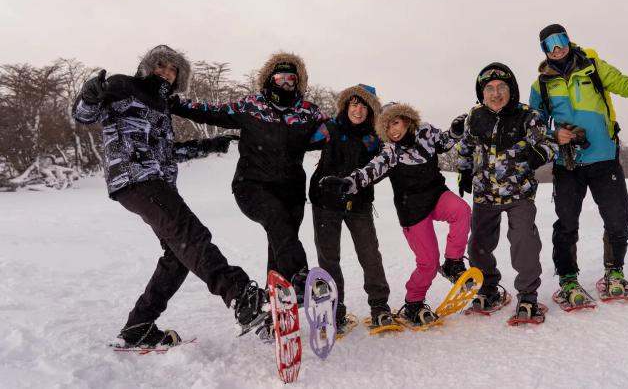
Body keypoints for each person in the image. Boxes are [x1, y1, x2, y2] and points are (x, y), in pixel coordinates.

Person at [72, 45, 268, 348]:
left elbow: (166, 152)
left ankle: (138, 326)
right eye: (161, 66)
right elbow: (85, 116)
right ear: (148, 67)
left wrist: (208, 146)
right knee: (191, 235)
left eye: (172, 69)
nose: (166, 72)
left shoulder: (162, 105)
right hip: (134, 177)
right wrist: (88, 94)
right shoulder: (124, 85)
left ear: (179, 77)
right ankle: (242, 297)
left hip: (155, 183)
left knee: (177, 255)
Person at [171, 52, 326, 305]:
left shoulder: (308, 112)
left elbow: (335, 134)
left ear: (298, 82)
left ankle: (275, 302)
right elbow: (212, 112)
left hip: (292, 190)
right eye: (280, 78)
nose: (285, 84)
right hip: (252, 185)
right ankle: (300, 276)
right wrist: (175, 103)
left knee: (282, 240)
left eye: (291, 79)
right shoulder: (252, 106)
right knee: (278, 223)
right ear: (269, 79)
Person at [529, 24, 628, 307]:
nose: (556, 48)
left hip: (604, 158)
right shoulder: (541, 85)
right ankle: (568, 279)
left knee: (618, 220)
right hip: (567, 163)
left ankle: (615, 272)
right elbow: (533, 126)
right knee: (567, 224)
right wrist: (553, 136)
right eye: (549, 45)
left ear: (569, 40)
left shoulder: (593, 66)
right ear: (544, 51)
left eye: (560, 40)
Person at [319, 103, 470, 327]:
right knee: (428, 263)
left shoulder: (425, 132)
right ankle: (413, 304)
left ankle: (453, 263)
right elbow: (370, 171)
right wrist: (347, 183)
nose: (393, 130)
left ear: (407, 120)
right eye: (387, 127)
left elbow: (445, 141)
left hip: (437, 196)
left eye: (396, 123)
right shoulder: (390, 151)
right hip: (412, 211)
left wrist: (456, 130)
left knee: (462, 210)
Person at [457, 63, 558, 322]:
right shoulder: (475, 116)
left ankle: (527, 295)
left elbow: (549, 144)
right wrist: (464, 172)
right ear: (482, 93)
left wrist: (539, 154)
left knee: (524, 242)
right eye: (489, 88)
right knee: (478, 245)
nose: (496, 93)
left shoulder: (527, 116)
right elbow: (466, 147)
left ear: (511, 89)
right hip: (484, 195)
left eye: (502, 87)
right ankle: (489, 288)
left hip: (519, 194)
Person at [307, 84, 394, 332]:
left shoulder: (374, 137)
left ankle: (379, 307)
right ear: (346, 105)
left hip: (359, 204)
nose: (358, 110)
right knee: (329, 258)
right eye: (354, 104)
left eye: (364, 106)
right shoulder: (329, 128)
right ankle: (334, 310)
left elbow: (383, 166)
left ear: (371, 110)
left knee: (370, 255)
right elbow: (300, 141)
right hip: (325, 203)